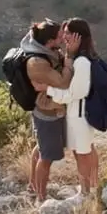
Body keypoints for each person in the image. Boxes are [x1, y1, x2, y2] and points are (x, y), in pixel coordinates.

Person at [44, 17, 102, 214]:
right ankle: (92, 187)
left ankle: (86, 192)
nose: (65, 36)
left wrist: (49, 90)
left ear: (79, 35)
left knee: (82, 153)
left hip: (79, 115)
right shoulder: (80, 58)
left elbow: (76, 93)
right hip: (79, 114)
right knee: (86, 150)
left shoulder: (83, 62)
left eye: (68, 33)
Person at [16, 20, 74, 204]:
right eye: (59, 36)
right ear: (50, 41)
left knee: (42, 148)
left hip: (52, 107)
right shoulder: (37, 62)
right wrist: (70, 56)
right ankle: (41, 197)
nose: (62, 38)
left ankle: (34, 186)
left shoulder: (47, 51)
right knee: (47, 156)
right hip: (47, 111)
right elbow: (63, 82)